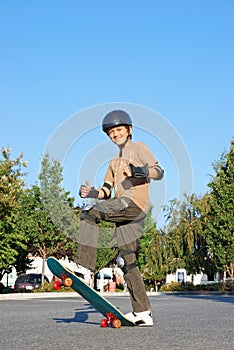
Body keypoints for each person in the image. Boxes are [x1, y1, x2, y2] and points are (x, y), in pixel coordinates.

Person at [77, 110, 164, 326]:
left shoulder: (138, 148)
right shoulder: (113, 162)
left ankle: (84, 268)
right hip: (125, 211)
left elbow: (159, 171)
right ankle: (143, 312)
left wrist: (140, 171)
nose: (115, 134)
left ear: (129, 130)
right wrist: (92, 193)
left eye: (118, 130)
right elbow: (107, 191)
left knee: (90, 214)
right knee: (127, 261)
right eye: (111, 132)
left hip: (133, 203)